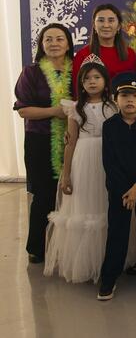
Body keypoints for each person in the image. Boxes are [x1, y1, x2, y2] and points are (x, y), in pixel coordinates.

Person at [44, 55, 115, 282]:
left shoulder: (114, 105)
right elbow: (71, 142)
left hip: (108, 159)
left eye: (96, 77)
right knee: (86, 206)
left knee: (105, 204)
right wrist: (66, 175)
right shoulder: (75, 108)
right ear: (81, 83)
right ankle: (85, 261)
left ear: (105, 80)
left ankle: (109, 258)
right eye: (87, 79)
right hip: (83, 160)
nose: (92, 82)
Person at [97, 72, 136, 300]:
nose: (130, 100)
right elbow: (110, 162)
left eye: (135, 96)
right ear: (116, 99)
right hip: (119, 190)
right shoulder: (110, 126)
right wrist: (125, 189)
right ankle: (109, 277)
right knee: (117, 231)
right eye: (124, 95)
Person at [13, 23, 73, 264]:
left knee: (72, 194)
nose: (54, 43)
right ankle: (37, 247)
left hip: (73, 141)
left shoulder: (78, 71)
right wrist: (54, 111)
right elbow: (23, 110)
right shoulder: (31, 73)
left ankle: (67, 247)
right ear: (41, 44)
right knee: (43, 194)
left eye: (59, 38)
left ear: (68, 44)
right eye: (48, 39)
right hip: (39, 141)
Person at [72, 4, 136, 95]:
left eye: (111, 20)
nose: (106, 25)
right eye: (101, 20)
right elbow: (77, 91)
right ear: (94, 26)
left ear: (118, 26)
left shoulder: (130, 54)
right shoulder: (82, 55)